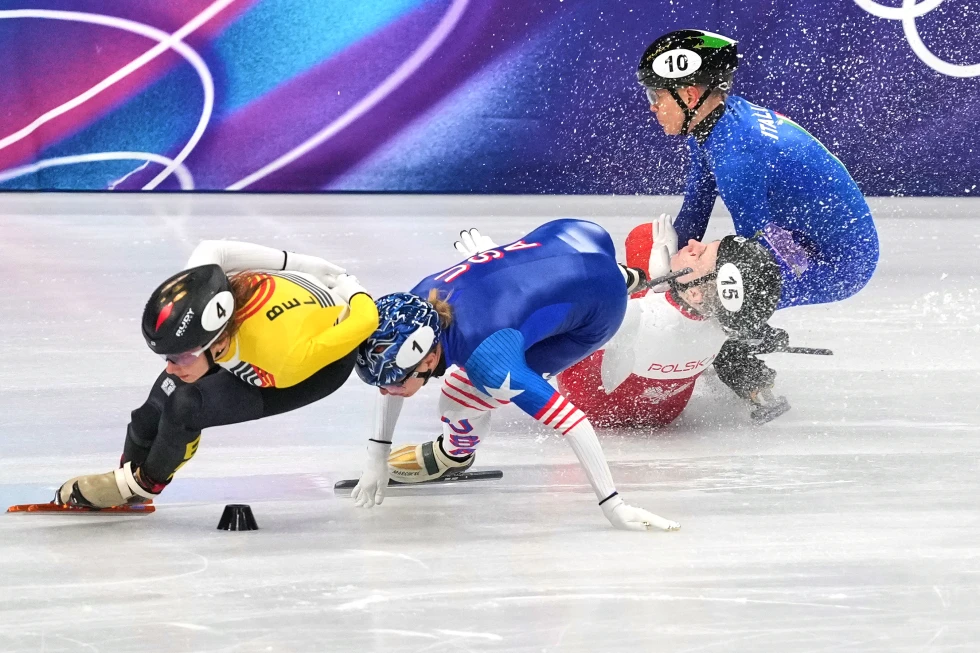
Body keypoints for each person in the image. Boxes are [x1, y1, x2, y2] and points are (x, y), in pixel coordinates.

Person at [349, 220, 680, 532]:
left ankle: (454, 455)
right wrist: (377, 454)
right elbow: (387, 376)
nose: (386, 390)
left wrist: (614, 505)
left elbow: (573, 423)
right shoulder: (412, 305)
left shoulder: (491, 361)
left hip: (599, 314)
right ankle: (620, 275)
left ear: (429, 357)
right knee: (547, 297)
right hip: (573, 234)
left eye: (395, 381)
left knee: (457, 397)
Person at [635, 29, 879, 410]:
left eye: (656, 95)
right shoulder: (712, 125)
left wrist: (733, 320)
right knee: (693, 274)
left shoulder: (736, 157)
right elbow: (695, 210)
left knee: (712, 292)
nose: (652, 106)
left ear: (690, 96)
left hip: (839, 262)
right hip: (808, 235)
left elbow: (754, 263)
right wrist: (655, 273)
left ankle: (750, 378)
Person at [56, 241, 378, 509]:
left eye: (180, 356)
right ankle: (128, 477)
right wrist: (298, 262)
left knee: (185, 406)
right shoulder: (204, 285)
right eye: (167, 356)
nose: (170, 366)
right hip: (266, 328)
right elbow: (214, 249)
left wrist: (352, 288)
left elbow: (366, 321)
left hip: (316, 367)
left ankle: (143, 486)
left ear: (219, 343)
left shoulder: (283, 358)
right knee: (148, 414)